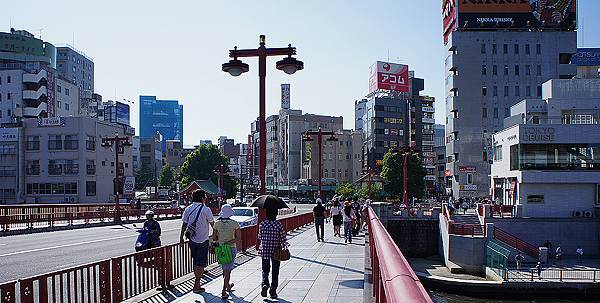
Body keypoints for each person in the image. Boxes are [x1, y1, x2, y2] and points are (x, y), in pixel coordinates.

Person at [179, 190, 214, 294]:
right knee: (200, 262)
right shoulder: (206, 209)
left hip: (192, 239)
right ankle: (196, 284)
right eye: (205, 197)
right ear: (202, 198)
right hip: (203, 239)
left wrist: (181, 238)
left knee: (196, 261)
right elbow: (212, 224)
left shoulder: (188, 209)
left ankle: (198, 284)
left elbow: (184, 225)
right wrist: (216, 236)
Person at [212, 204, 241, 299]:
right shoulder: (235, 223)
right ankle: (224, 291)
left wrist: (221, 241)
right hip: (230, 248)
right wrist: (228, 242)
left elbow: (214, 237)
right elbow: (238, 238)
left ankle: (228, 286)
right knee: (228, 271)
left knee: (225, 269)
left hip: (220, 249)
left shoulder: (217, 223)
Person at [259, 208, 288, 299]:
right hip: (276, 250)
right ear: (276, 215)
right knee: (275, 271)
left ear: (266, 215)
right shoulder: (278, 225)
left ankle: (265, 284)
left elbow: (260, 236)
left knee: (265, 269)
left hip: (264, 249)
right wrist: (285, 245)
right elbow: (283, 238)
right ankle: (273, 291)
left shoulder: (262, 224)